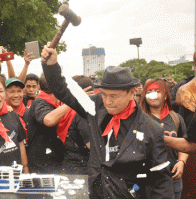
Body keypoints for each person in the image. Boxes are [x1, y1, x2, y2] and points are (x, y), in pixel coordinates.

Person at [41, 44, 173, 198]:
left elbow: (162, 180)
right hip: (97, 192)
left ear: (132, 93)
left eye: (114, 96)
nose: (108, 101)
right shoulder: (95, 106)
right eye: (104, 94)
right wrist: (51, 65)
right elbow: (63, 91)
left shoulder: (151, 129)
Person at [140, 78, 188, 199]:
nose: (153, 95)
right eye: (149, 91)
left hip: (173, 177)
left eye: (157, 91)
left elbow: (184, 144)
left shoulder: (176, 118)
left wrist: (181, 162)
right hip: (147, 180)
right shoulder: (139, 120)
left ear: (166, 95)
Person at [26, 74, 67, 174]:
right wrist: (71, 102)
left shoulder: (56, 103)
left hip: (52, 161)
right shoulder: (39, 102)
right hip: (41, 166)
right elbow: (49, 120)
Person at [61, 75, 92, 175]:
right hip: (81, 167)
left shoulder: (66, 109)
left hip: (69, 163)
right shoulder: (81, 113)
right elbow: (91, 145)